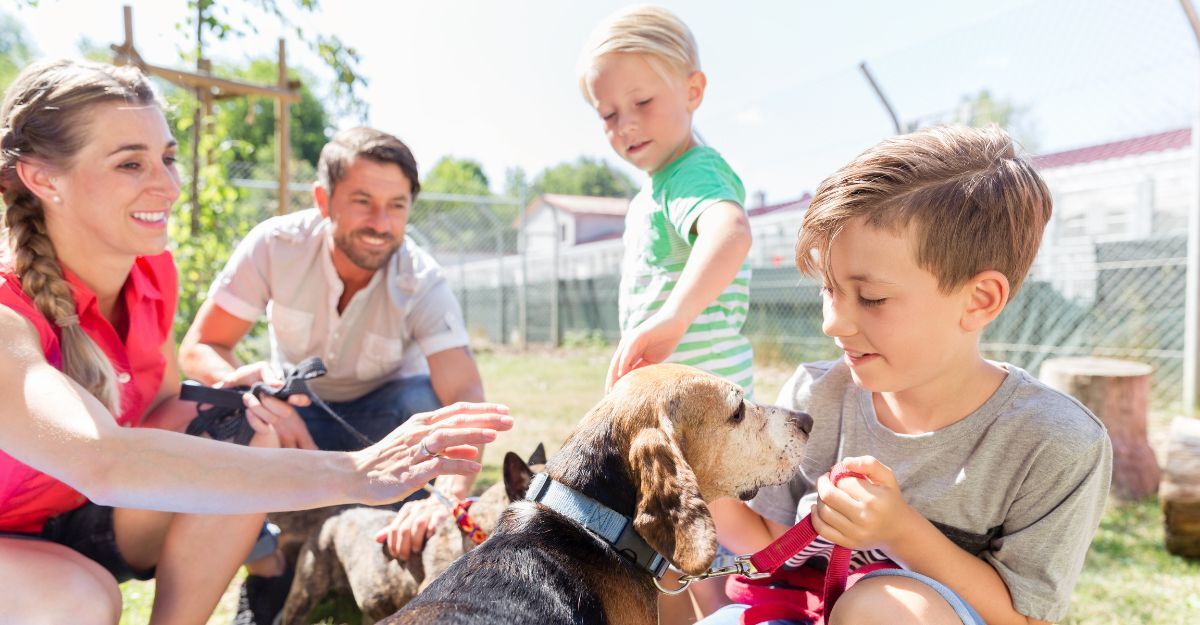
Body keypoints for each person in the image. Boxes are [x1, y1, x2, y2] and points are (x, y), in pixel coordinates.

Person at [0, 58, 511, 625]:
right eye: (130, 163)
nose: (167, 184)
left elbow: (163, 404)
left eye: (168, 158)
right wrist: (354, 471)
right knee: (82, 600)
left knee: (249, 425)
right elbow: (102, 458)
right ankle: (279, 555)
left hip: (85, 515)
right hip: (19, 531)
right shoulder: (6, 313)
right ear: (44, 179)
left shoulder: (151, 273)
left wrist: (234, 391)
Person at [702, 125, 1113, 625]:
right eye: (829, 289)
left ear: (979, 299)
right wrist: (694, 480)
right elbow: (770, 543)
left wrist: (900, 531)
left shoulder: (1055, 443)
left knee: (879, 611)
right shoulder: (817, 395)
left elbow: (1026, 618)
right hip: (799, 610)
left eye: (871, 297)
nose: (832, 322)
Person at [177, 126, 489, 621]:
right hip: (296, 415)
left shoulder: (422, 278)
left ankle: (378, 544)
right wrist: (259, 395)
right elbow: (201, 346)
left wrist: (447, 501)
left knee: (421, 401)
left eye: (397, 206)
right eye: (362, 201)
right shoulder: (275, 244)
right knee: (223, 409)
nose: (381, 223)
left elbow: (464, 392)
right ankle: (268, 567)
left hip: (385, 421)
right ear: (324, 200)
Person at [577, 6, 754, 622]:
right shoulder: (654, 188)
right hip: (670, 410)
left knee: (705, 528)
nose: (625, 125)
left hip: (700, 412)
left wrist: (675, 318)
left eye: (642, 102)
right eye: (607, 115)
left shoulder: (693, 173)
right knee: (665, 542)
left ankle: (782, 588)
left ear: (693, 90)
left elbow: (729, 233)